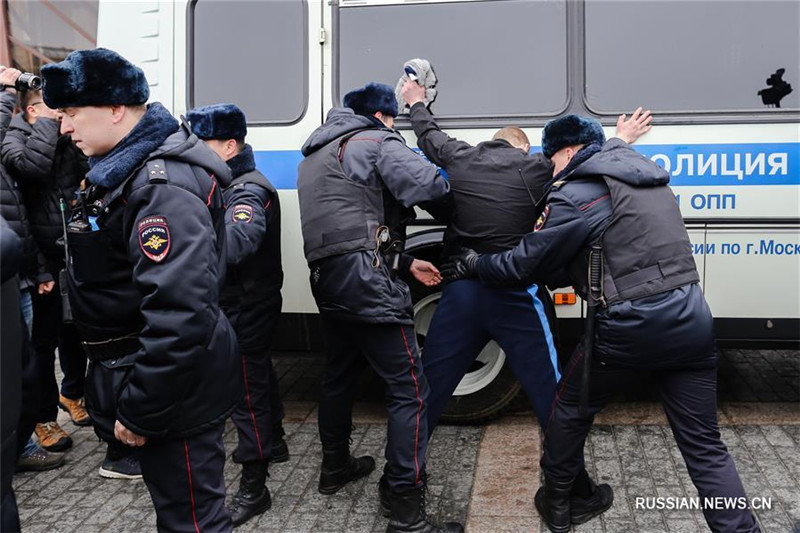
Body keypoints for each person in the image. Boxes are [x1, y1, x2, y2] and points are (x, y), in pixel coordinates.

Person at [442, 114, 760, 533]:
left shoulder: (573, 195)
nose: (550, 169)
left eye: (551, 159)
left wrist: (474, 263)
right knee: (705, 446)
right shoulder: (651, 180)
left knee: (569, 411)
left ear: (569, 151)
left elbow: (521, 266)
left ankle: (558, 502)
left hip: (628, 327)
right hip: (692, 321)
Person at [41, 48, 241, 531]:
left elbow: (180, 312)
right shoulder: (123, 173)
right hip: (155, 384)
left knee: (193, 520)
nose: (64, 127)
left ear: (115, 109)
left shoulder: (158, 186)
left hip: (174, 395)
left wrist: (141, 410)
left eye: (71, 114)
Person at [400, 80, 651, 432]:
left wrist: (416, 102)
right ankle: (572, 484)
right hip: (514, 292)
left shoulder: (459, 155)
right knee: (552, 392)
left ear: (493, 140)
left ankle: (402, 482)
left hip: (460, 291)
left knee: (428, 391)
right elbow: (584, 161)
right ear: (526, 147)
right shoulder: (538, 168)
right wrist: (620, 138)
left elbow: (428, 136)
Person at [297, 82, 462, 533]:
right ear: (386, 116)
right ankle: (407, 510)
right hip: (368, 282)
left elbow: (349, 229)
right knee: (410, 390)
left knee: (339, 374)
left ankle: (335, 467)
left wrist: (406, 262)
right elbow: (431, 182)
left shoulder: (314, 155)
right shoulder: (375, 139)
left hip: (327, 280)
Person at [186, 103, 287, 526]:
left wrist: (187, 249)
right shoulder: (225, 182)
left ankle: (254, 484)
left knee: (247, 394)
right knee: (257, 380)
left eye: (202, 144)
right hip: (242, 303)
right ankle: (275, 442)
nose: (194, 152)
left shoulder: (248, 189)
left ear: (229, 146)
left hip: (246, 307)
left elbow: (237, 243)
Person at [2, 80, 90, 452]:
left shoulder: (62, 132)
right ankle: (43, 418)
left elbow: (83, 169)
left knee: (76, 330)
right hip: (42, 256)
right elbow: (34, 169)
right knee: (43, 343)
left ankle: (72, 393)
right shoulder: (12, 138)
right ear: (34, 111)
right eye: (55, 111)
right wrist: (47, 125)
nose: (62, 119)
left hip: (73, 245)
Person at [0, 66, 66, 473]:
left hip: (18, 273)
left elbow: (19, 217)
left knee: (21, 364)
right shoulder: (12, 137)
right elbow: (34, 168)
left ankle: (20, 443)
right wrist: (8, 93)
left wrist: (39, 270)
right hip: (7, 277)